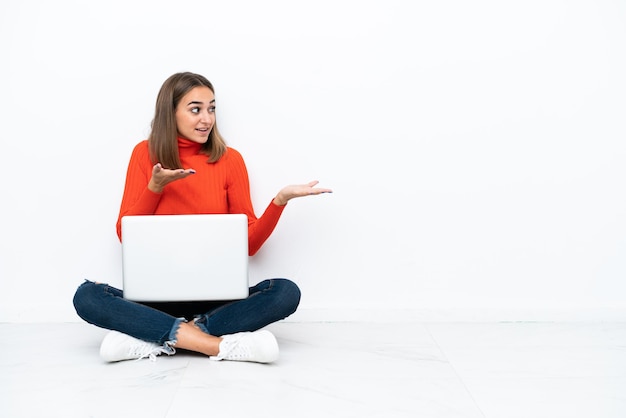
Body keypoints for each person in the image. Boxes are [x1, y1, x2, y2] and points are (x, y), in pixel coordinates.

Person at [73, 72, 331, 364]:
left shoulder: (230, 160)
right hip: (154, 299)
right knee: (87, 296)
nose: (206, 119)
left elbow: (250, 245)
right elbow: (125, 234)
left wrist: (279, 202)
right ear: (170, 113)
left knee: (285, 292)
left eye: (211, 108)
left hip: (217, 301)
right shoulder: (144, 155)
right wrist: (155, 188)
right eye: (195, 109)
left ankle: (156, 338)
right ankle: (215, 345)